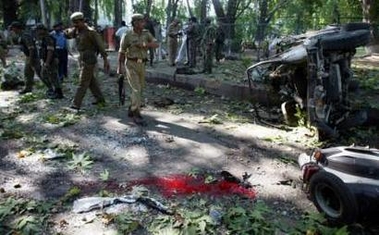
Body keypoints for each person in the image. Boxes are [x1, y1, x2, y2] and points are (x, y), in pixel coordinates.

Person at [117, 13, 158, 125]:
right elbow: (121, 51)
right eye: (140, 21)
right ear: (135, 23)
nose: (143, 23)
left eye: (143, 21)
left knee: (141, 88)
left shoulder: (146, 33)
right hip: (131, 63)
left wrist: (145, 44)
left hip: (142, 64)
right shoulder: (127, 35)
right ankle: (136, 113)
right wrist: (119, 67)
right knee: (136, 88)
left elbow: (156, 44)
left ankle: (131, 108)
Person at [65, 12, 110, 110]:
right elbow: (67, 35)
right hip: (81, 58)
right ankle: (100, 99)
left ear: (82, 21)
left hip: (89, 59)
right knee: (91, 81)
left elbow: (101, 47)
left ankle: (75, 104)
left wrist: (106, 60)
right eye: (73, 23)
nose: (75, 25)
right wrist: (70, 30)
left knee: (83, 82)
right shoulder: (77, 31)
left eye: (76, 22)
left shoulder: (91, 32)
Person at [10, 21, 42, 94]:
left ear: (16, 28)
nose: (12, 30)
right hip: (29, 57)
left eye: (13, 28)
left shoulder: (25, 36)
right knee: (27, 73)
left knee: (40, 73)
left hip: (33, 57)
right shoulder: (21, 36)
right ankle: (28, 88)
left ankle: (51, 87)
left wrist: (30, 59)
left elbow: (31, 48)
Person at [36, 23, 63, 99]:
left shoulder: (48, 38)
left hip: (51, 60)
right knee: (46, 75)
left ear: (42, 30)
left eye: (38, 30)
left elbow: (50, 51)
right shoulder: (44, 38)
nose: (37, 32)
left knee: (54, 76)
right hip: (48, 60)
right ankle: (53, 90)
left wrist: (47, 62)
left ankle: (58, 93)